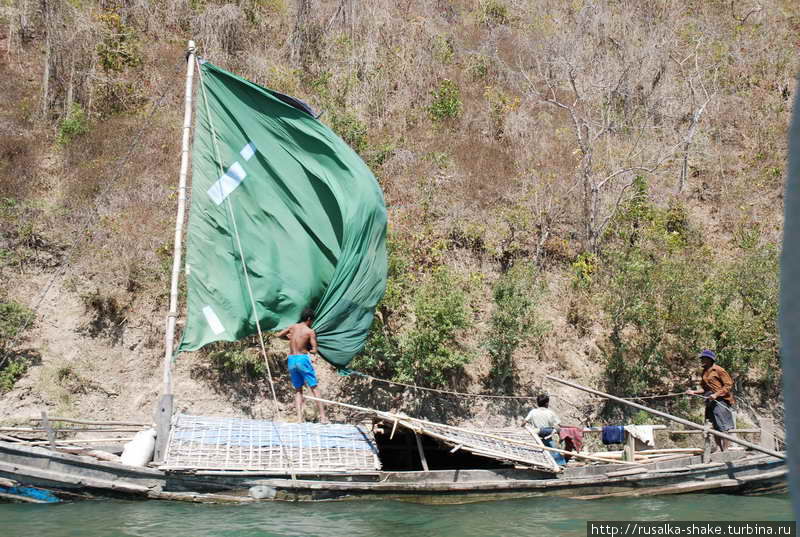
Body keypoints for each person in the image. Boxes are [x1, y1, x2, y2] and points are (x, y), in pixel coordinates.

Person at [276, 308, 328, 424]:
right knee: (314, 388)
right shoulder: (310, 331)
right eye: (312, 320)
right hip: (302, 359)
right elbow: (314, 350)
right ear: (309, 319)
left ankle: (299, 419)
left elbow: (279, 335)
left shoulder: (293, 327)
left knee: (298, 390)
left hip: (291, 360)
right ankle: (323, 417)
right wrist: (311, 348)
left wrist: (289, 338)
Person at [685, 349, 735, 451]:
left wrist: (716, 395)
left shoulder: (719, 370)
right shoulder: (704, 372)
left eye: (704, 359)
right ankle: (719, 448)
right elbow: (705, 389)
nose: (702, 361)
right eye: (701, 359)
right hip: (710, 401)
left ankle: (725, 451)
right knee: (715, 426)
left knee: (723, 426)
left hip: (721, 400)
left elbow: (728, 385)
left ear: (710, 360)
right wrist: (693, 392)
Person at [523, 394, 566, 465]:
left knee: (538, 453)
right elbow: (559, 426)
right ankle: (560, 464)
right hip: (547, 436)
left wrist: (526, 427)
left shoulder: (533, 412)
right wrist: (560, 436)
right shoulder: (550, 412)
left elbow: (524, 423)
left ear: (537, 403)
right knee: (555, 453)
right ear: (547, 403)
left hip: (536, 437)